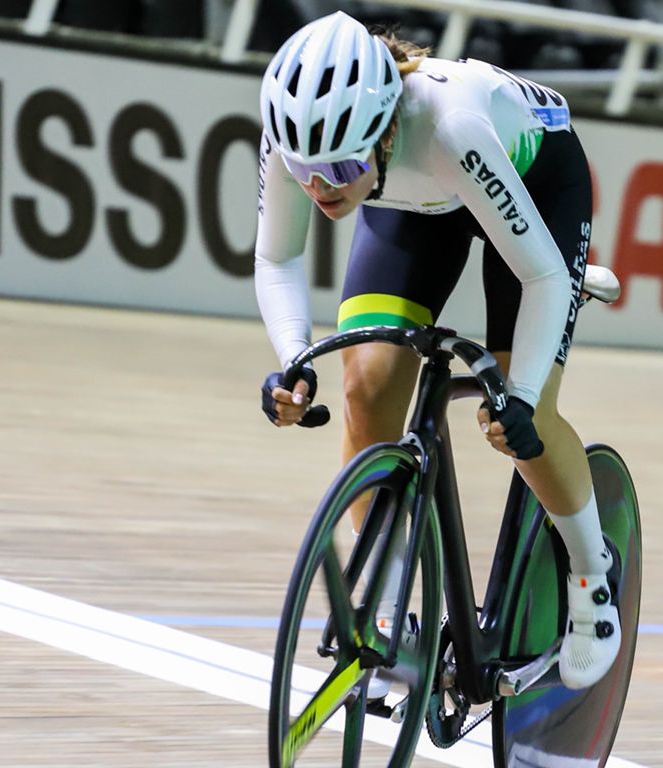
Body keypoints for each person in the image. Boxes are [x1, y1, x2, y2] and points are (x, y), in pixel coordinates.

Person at [253, 12, 619, 689]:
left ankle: (593, 575)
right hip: (418, 199)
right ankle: (389, 611)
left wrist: (525, 398)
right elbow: (277, 255)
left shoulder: (448, 126)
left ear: (386, 127)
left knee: (525, 421)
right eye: (306, 170)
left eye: (339, 168)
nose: (321, 188)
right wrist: (295, 356)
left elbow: (538, 274)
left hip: (532, 180)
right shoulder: (304, 135)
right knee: (365, 385)